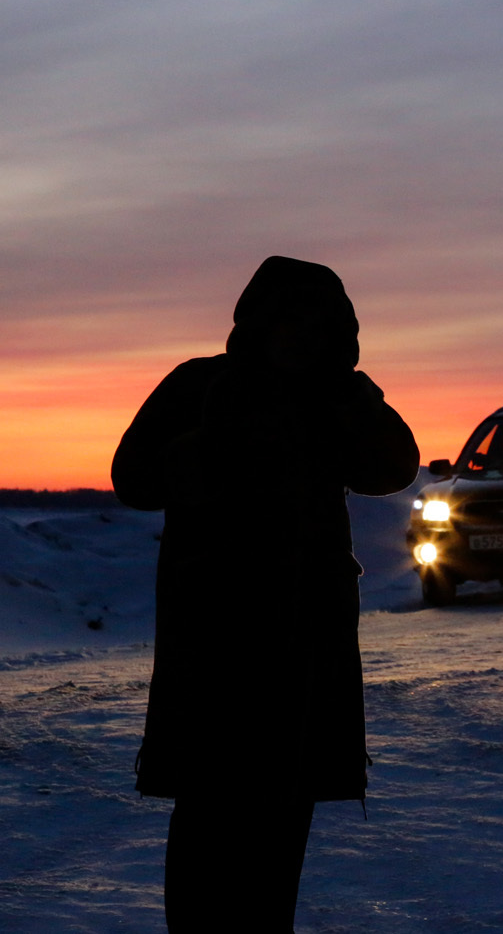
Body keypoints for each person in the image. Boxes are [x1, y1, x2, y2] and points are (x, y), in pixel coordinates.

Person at [111, 256, 420, 931]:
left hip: (307, 643)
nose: (303, 340)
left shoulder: (338, 399)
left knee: (284, 813)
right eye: (291, 323)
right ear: (261, 324)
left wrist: (349, 396)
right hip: (215, 639)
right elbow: (133, 478)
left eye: (321, 328)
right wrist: (206, 448)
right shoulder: (201, 386)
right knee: (207, 815)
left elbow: (394, 465)